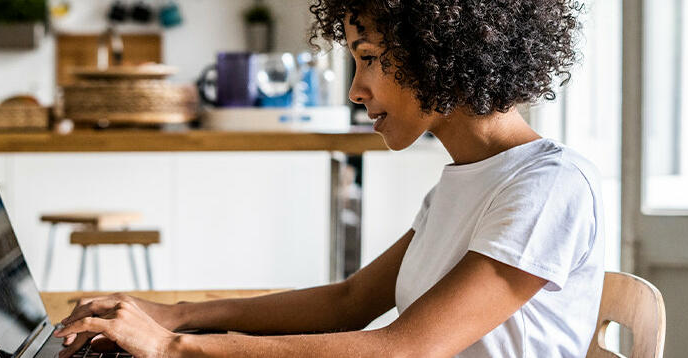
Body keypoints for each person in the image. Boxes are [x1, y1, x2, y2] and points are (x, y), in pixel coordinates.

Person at [54, 0, 604, 357]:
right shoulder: (464, 182)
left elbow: (407, 349)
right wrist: (178, 316)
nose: (355, 89)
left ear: (438, 54)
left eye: (367, 59)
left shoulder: (548, 187)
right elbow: (350, 300)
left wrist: (173, 346)